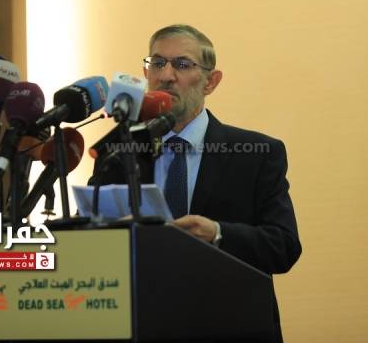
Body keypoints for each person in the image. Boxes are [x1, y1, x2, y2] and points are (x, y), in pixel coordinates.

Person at [92, 24, 301, 342]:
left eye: (182, 64)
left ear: (210, 82)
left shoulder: (257, 154)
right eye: (157, 63)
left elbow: (283, 247)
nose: (166, 76)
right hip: (142, 325)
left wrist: (217, 233)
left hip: (229, 328)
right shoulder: (118, 152)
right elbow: (92, 239)